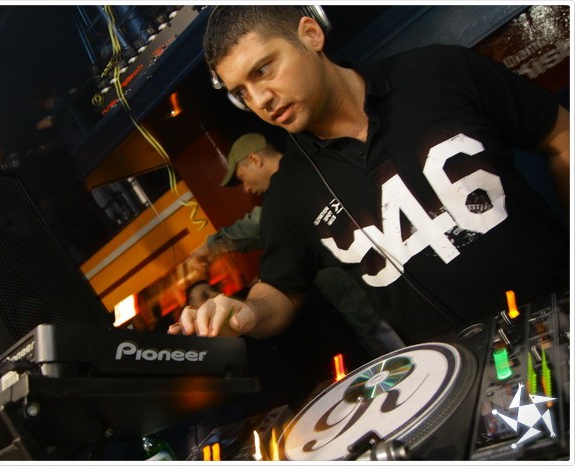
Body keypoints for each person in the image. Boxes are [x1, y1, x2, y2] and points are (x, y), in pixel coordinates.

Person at [170, 6, 569, 345]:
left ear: (310, 34)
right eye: (241, 92)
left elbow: (559, 137)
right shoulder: (290, 191)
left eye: (263, 69)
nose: (259, 100)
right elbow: (280, 290)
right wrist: (245, 313)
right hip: (460, 377)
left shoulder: (440, 71)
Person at [189, 133, 405, 357]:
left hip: (378, 303)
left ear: (255, 160)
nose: (246, 188)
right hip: (368, 305)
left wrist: (208, 247)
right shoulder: (293, 187)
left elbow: (253, 226)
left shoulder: (295, 186)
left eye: (243, 178)